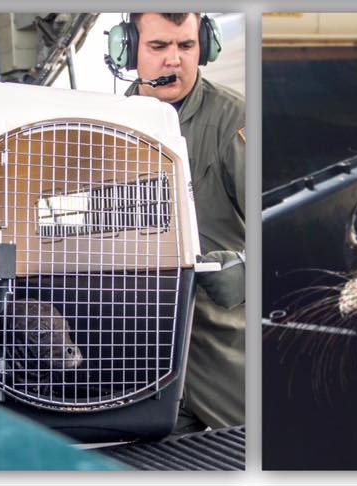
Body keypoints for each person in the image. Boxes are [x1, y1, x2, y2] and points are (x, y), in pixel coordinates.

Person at [115, 12, 246, 431]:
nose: (174, 60)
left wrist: (247, 266)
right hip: (137, 351)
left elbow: (286, 225)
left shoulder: (233, 119)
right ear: (126, 48)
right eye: (158, 47)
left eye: (186, 46)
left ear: (204, 47)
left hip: (220, 351)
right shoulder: (105, 123)